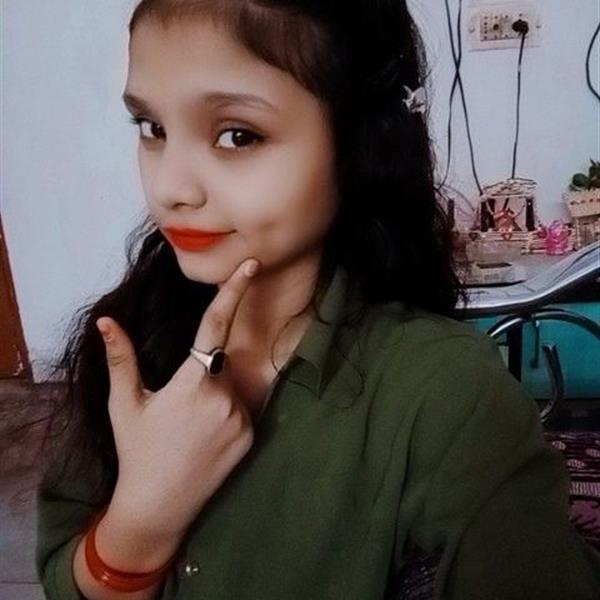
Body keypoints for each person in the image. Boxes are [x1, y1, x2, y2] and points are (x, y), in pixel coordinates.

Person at [35, 1, 600, 599]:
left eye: (236, 135)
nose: (169, 188)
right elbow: (61, 569)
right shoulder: (132, 334)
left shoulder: (445, 392)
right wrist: (142, 521)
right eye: (152, 128)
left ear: (358, 144)